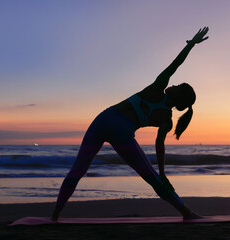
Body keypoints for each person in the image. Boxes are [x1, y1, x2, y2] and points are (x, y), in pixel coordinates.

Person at [51, 27, 209, 221]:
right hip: (121, 131)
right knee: (150, 177)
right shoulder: (166, 119)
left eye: (177, 87)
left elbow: (176, 63)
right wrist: (162, 173)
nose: (173, 85)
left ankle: (55, 216)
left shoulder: (158, 87)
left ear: (179, 98)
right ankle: (186, 213)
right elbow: (160, 147)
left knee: (78, 169)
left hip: (103, 120)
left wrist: (191, 45)